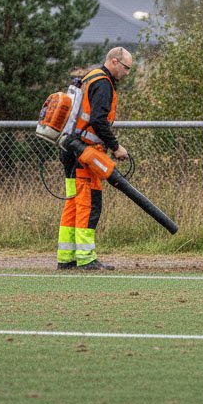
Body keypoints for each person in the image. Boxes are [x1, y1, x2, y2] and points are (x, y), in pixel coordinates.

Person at [56, 46, 133, 271]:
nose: (127, 73)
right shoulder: (103, 83)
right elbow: (99, 120)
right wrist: (116, 147)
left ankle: (67, 257)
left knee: (73, 203)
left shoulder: (89, 77)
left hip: (69, 148)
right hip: (84, 153)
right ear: (114, 61)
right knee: (89, 204)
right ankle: (86, 258)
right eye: (126, 68)